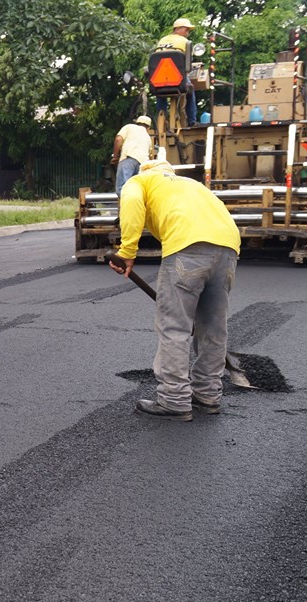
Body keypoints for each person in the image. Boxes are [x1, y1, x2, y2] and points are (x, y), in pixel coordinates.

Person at [108, 159, 241, 422]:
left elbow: (131, 203)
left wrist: (127, 252)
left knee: (175, 326)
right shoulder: (191, 184)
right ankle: (207, 395)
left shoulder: (141, 181)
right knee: (213, 327)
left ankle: (174, 399)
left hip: (186, 247)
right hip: (228, 248)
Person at [153, 18, 198, 127]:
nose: (188, 33)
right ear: (177, 29)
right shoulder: (186, 42)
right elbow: (188, 64)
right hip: (178, 79)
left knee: (160, 93)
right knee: (190, 91)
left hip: (159, 79)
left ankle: (161, 120)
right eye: (186, 30)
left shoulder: (162, 40)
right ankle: (192, 121)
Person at [111, 116, 153, 195]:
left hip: (128, 160)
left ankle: (126, 206)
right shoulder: (148, 138)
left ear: (136, 123)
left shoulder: (129, 127)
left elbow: (118, 140)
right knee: (137, 191)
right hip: (143, 165)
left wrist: (115, 157)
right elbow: (150, 156)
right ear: (148, 128)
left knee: (123, 190)